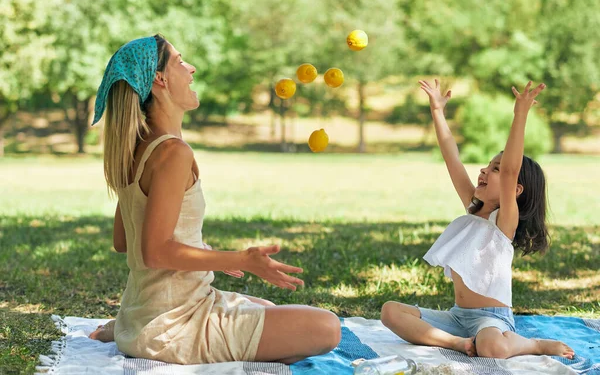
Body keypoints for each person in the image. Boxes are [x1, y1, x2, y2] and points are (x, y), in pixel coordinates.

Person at [88, 34, 341, 365]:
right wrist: (238, 259)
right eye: (180, 62)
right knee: (326, 328)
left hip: (150, 310)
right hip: (175, 324)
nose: (191, 69)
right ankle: (140, 334)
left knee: (268, 309)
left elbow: (125, 241)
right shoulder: (172, 153)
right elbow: (154, 252)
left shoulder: (137, 149)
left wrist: (208, 255)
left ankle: (129, 329)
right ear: (160, 79)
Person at [380, 79, 574, 360]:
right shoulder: (472, 208)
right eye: (487, 165)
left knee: (491, 348)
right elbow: (451, 158)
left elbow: (510, 171)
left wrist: (520, 114)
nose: (484, 170)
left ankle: (533, 344)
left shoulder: (504, 223)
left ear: (515, 190)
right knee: (390, 311)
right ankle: (456, 344)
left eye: (494, 168)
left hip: (491, 321)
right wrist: (437, 111)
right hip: (457, 319)